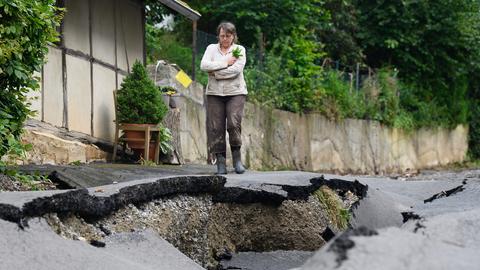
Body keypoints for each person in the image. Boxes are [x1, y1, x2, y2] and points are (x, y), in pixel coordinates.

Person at [200, 21, 247, 174]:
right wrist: (226, 62)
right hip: (214, 93)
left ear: (233, 36)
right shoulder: (211, 49)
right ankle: (220, 163)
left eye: (228, 36)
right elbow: (204, 66)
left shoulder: (239, 50)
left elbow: (236, 70)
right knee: (216, 127)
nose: (225, 39)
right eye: (222, 36)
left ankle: (237, 160)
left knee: (233, 124)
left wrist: (216, 73)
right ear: (218, 36)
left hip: (236, 92)